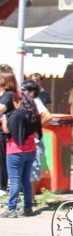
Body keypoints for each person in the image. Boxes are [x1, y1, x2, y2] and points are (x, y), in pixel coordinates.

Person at [0, 88, 43, 217]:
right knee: (25, 180)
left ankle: (11, 209)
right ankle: (28, 207)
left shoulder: (17, 114)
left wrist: (3, 120)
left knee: (14, 180)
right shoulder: (34, 113)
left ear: (18, 101)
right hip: (30, 150)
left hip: (15, 150)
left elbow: (8, 130)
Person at [21, 80, 51, 198]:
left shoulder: (36, 101)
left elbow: (48, 116)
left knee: (33, 170)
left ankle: (31, 198)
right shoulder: (25, 101)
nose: (21, 92)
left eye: (24, 90)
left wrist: (34, 129)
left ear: (31, 92)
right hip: (26, 141)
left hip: (35, 141)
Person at [0, 66, 18, 196]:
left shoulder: (8, 95)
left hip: (3, 133)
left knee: (1, 159)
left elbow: (1, 109)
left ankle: (2, 186)